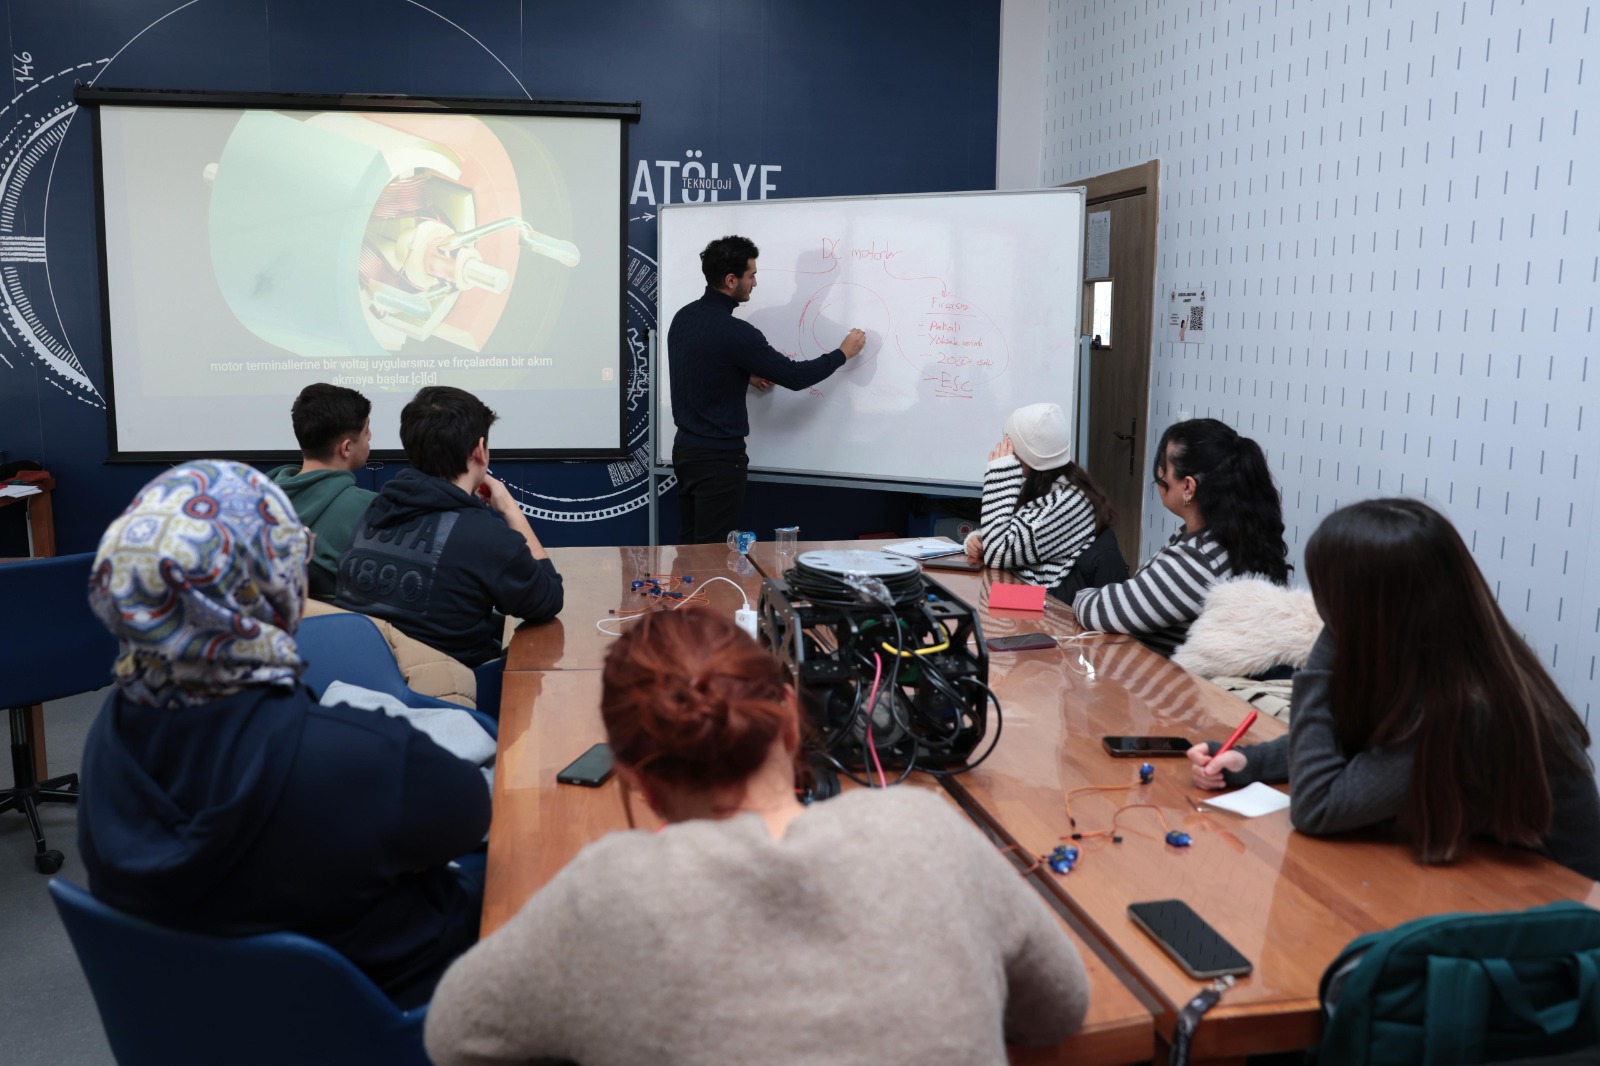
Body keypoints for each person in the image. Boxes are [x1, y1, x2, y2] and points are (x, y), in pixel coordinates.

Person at [423, 609, 1090, 1065]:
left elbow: (454, 1036)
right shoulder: (928, 831)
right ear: (792, 724)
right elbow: (1060, 1010)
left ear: (635, 780)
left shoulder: (607, 893)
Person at [78, 460, 491, 1009]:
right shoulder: (360, 759)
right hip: (387, 1023)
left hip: (196, 1026)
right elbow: (470, 812)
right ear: (271, 587)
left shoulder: (107, 742)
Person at [1188, 499, 1600, 879]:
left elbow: (1316, 806)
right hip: (1495, 875)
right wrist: (1252, 762)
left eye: (1332, 598)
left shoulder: (1463, 707)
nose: (1324, 610)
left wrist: (1327, 648)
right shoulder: (1443, 656)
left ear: (1375, 610)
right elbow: (1360, 742)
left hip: (1560, 901)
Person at [334, 385, 563, 668]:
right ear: (479, 450)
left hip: (362, 678)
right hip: (452, 689)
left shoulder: (375, 511)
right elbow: (548, 599)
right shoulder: (485, 536)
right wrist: (510, 509)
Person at [668, 234, 867, 544]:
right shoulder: (736, 332)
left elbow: (701, 363)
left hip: (685, 452)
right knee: (711, 553)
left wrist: (743, 373)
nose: (755, 282)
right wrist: (842, 353)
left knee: (691, 546)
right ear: (731, 280)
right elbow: (794, 377)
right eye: (751, 275)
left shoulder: (683, 318)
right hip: (719, 461)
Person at [1072, 418, 1289, 655]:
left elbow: (1101, 611)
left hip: (1170, 675)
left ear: (1188, 487)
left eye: (1163, 467)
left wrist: (1082, 595)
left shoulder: (1199, 562)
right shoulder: (1227, 536)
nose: (1158, 474)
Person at [962, 401, 1128, 597]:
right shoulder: (1045, 485)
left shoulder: (1069, 503)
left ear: (1027, 454)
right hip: (1022, 591)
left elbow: (998, 553)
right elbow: (1015, 532)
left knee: (969, 599)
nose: (1006, 448)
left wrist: (999, 477)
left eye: (1010, 442)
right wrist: (978, 539)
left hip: (1044, 603)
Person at [268, 383, 377, 599]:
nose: (370, 436)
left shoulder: (255, 496)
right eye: (366, 431)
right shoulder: (372, 509)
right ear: (346, 447)